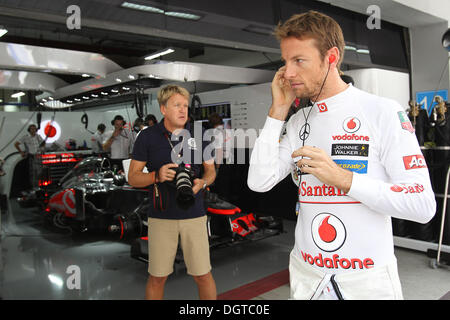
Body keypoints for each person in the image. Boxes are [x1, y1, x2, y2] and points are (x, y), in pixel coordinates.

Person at [247, 10, 436, 300]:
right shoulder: (298, 121)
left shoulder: (382, 111)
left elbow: (422, 204)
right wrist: (278, 112)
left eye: (299, 60)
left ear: (331, 57)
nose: (288, 72)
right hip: (307, 278)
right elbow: (259, 182)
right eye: (285, 62)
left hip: (366, 281)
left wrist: (345, 180)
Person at [128, 85, 217, 300]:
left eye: (185, 106)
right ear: (163, 109)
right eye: (177, 105)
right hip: (161, 216)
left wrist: (202, 183)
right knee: (157, 277)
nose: (183, 110)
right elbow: (132, 177)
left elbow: (211, 172)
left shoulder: (200, 134)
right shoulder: (147, 137)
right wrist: (155, 176)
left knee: (203, 275)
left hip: (194, 214)